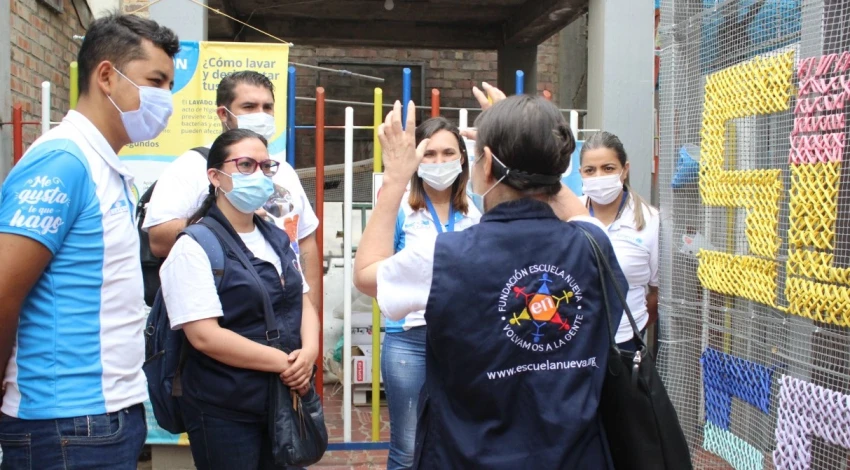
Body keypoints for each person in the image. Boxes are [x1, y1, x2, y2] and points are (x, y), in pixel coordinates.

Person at [354, 94, 628, 468]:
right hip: (575, 456)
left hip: (469, 456)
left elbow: (367, 272)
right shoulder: (594, 245)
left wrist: (397, 178)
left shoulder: (443, 256)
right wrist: (534, 143)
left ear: (484, 168)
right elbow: (579, 215)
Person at [0, 14, 179, 469]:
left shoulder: (105, 167)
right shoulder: (64, 162)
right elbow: (3, 289)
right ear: (106, 76)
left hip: (104, 415)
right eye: (155, 81)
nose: (165, 99)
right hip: (65, 422)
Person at [159, 128, 320, 470]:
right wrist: (286, 364)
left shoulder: (276, 236)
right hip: (225, 408)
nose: (258, 176)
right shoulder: (194, 245)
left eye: (266, 167)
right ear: (215, 176)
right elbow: (204, 335)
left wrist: (309, 352)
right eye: (246, 165)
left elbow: (301, 299)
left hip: (282, 399)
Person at [143, 70, 321, 310]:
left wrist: (312, 312)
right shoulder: (191, 166)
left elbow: (305, 242)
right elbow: (158, 240)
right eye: (249, 107)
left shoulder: (285, 171)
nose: (260, 115)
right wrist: (226, 224)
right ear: (223, 114)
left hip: (288, 313)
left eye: (267, 107)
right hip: (227, 311)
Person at [381, 117, 481, 469]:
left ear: (463, 158)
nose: (439, 163)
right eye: (430, 154)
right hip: (409, 341)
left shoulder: (478, 211)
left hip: (463, 340)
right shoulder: (399, 210)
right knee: (407, 449)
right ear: (415, 160)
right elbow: (375, 272)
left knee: (461, 442)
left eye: (448, 153)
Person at [579, 131, 659, 351]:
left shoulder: (650, 221)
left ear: (625, 170)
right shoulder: (570, 217)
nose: (598, 177)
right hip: (576, 340)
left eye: (608, 168)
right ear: (580, 174)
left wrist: (636, 328)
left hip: (627, 340)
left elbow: (656, 292)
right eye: (590, 170)